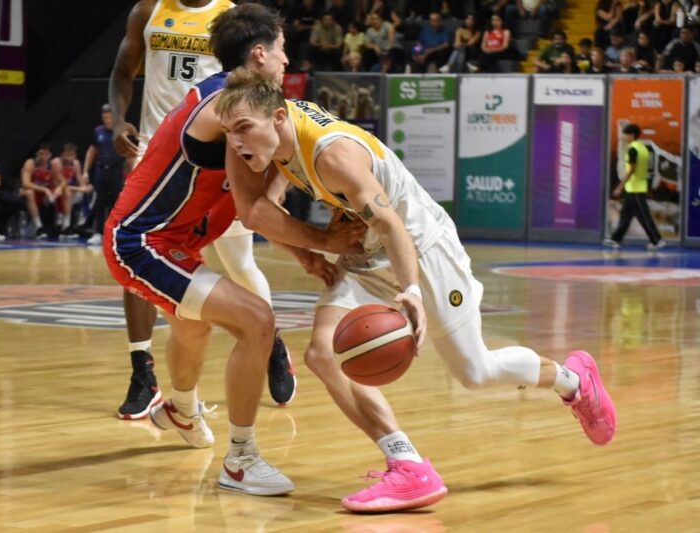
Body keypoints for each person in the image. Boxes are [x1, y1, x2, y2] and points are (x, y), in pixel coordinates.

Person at [217, 69, 618, 512]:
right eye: (229, 132)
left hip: (420, 247)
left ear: (277, 117)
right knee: (322, 354)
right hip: (365, 249)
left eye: (243, 129)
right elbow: (262, 207)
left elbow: (392, 225)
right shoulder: (272, 134)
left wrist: (410, 289)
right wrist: (310, 253)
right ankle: (407, 464)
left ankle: (574, 381)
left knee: (476, 372)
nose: (235, 142)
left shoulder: (334, 156)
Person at [104, 4, 364, 496]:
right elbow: (255, 211)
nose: (287, 59)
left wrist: (304, 254)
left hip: (175, 243)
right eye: (282, 49)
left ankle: (181, 410)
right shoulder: (232, 110)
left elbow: (256, 205)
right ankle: (241, 460)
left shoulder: (240, 101)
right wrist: (323, 242)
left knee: (193, 325)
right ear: (259, 53)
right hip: (142, 243)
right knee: (257, 320)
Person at [108, 0, 297, 420]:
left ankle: (270, 342)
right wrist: (119, 120)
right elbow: (122, 71)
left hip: (220, 146)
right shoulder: (148, 10)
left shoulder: (233, 17)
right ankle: (142, 372)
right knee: (143, 257)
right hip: (162, 145)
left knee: (239, 262)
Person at [604, 123, 666, 250]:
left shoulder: (632, 149)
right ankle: (615, 240)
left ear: (632, 135)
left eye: (625, 135)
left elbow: (631, 170)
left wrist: (619, 187)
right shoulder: (642, 148)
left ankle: (657, 240)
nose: (622, 137)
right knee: (626, 215)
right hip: (635, 187)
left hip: (635, 188)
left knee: (644, 216)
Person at [84, 104, 124, 246]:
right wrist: (85, 171)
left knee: (118, 202)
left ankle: (116, 232)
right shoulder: (98, 132)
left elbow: (130, 153)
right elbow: (92, 151)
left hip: (116, 171)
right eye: (104, 117)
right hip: (101, 170)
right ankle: (98, 232)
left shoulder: (121, 131)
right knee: (99, 202)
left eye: (109, 117)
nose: (107, 120)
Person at [21, 143, 64, 239]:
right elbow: (25, 183)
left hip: (44, 196)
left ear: (50, 155)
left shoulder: (52, 165)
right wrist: (44, 189)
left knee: (63, 191)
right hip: (30, 194)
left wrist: (60, 188)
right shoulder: (31, 163)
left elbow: (63, 181)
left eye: (46, 154)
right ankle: (39, 227)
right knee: (29, 192)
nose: (43, 156)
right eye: (41, 153)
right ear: (36, 154)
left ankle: (62, 225)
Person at [55, 142, 88, 236]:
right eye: (67, 154)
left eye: (71, 154)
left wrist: (85, 187)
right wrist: (78, 188)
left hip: (69, 191)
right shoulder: (56, 162)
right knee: (67, 191)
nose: (69, 157)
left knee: (90, 190)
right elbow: (62, 183)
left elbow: (81, 183)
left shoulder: (76, 163)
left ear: (75, 155)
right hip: (56, 191)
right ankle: (65, 225)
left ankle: (82, 221)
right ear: (62, 154)